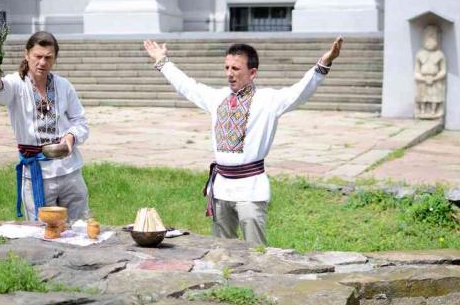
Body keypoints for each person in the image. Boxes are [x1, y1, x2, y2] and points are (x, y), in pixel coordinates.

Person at [143, 36, 343, 246]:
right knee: (222, 250)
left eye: (236, 68)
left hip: (251, 189)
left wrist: (324, 63)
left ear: (252, 72)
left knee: (256, 252)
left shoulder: (268, 101)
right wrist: (163, 62)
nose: (229, 74)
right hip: (221, 189)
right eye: (227, 67)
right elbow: (187, 86)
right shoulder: (217, 98)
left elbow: (301, 90)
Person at [0, 31, 90, 221]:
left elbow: (80, 121)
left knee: (80, 228)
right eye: (38, 56)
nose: (42, 62)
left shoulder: (63, 85)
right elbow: (0, 93)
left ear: (55, 59)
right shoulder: (16, 83)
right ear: (27, 55)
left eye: (48, 57)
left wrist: (71, 137)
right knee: (43, 234)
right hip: (37, 174)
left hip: (70, 171)